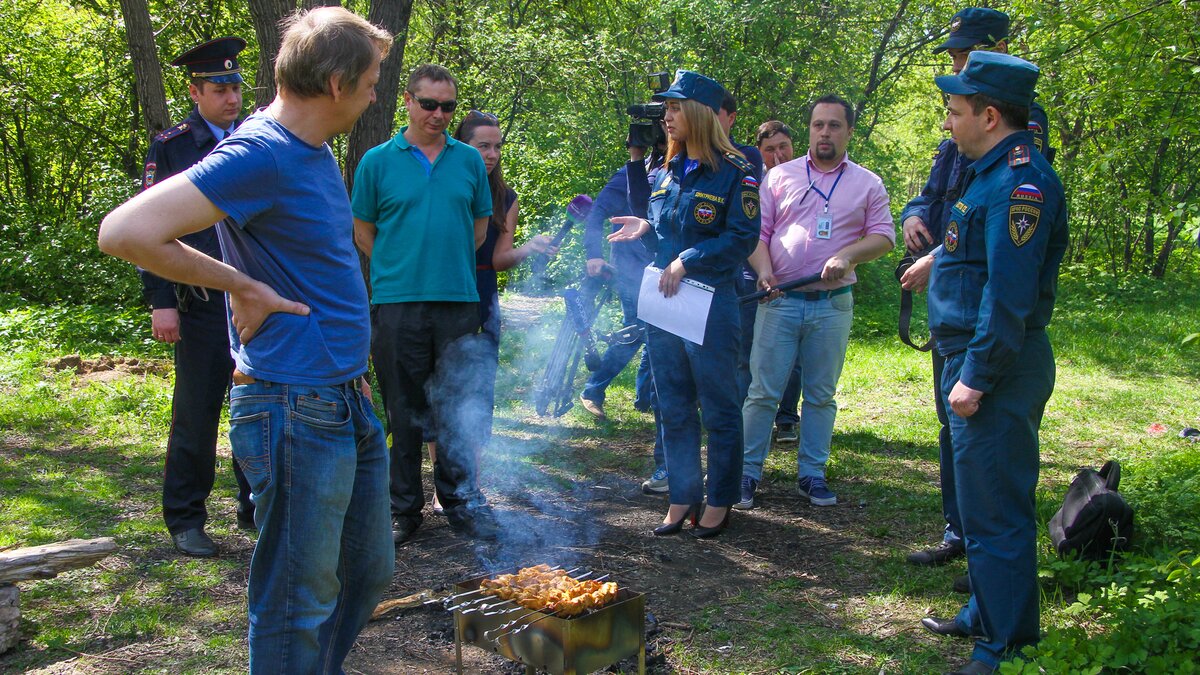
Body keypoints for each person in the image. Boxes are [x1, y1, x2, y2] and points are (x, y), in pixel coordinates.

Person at [99, 7, 396, 672]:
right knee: (297, 598)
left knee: (369, 570)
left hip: (344, 394)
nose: (380, 93)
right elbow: (124, 232)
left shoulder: (310, 148)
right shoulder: (258, 153)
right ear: (339, 83)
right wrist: (239, 282)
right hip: (293, 406)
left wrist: (354, 365)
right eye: (374, 80)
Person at [917, 51, 1067, 675]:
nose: (947, 122)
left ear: (990, 114)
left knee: (997, 510)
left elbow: (1008, 300)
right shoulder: (986, 172)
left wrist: (975, 378)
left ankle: (1005, 647)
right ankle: (985, 610)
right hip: (967, 359)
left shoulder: (1020, 184)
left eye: (955, 112)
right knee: (978, 506)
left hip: (995, 369)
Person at [899, 7, 1053, 569]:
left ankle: (992, 589)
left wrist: (939, 258)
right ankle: (963, 535)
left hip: (979, 317)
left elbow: (1002, 243)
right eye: (956, 54)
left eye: (967, 53)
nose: (959, 62)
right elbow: (937, 190)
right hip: (958, 316)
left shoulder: (1015, 130)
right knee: (959, 439)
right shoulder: (966, 130)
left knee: (988, 462)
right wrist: (916, 216)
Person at [608, 70, 759, 539]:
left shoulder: (735, 174)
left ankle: (719, 501)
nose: (667, 118)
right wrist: (645, 227)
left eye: (675, 109)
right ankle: (682, 494)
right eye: (666, 109)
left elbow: (742, 237)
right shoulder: (665, 171)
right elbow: (670, 227)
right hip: (665, 306)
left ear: (696, 113)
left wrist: (688, 261)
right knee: (671, 404)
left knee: (718, 406)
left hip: (710, 306)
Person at [352, 64, 498, 545]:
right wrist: (400, 266)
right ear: (409, 103)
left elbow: (479, 229)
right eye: (429, 104)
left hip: (458, 300)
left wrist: (444, 264)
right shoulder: (377, 161)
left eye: (448, 106)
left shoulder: (468, 161)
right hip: (397, 303)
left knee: (458, 406)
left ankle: (460, 502)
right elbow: (363, 230)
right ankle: (404, 509)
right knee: (403, 408)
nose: (438, 114)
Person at [738, 95, 895, 510]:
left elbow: (884, 236)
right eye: (818, 125)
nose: (825, 132)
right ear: (809, 129)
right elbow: (758, 233)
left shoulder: (868, 182)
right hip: (780, 300)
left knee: (821, 395)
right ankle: (746, 473)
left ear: (848, 131)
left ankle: (812, 474)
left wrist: (848, 256)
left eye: (834, 126)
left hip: (832, 304)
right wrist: (764, 271)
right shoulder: (778, 177)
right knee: (761, 393)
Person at [138, 37, 254, 557]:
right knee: (197, 411)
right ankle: (186, 517)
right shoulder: (174, 145)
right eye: (219, 88)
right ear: (196, 91)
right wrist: (161, 298)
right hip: (202, 301)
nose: (231, 97)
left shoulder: (257, 137)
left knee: (253, 404)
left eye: (235, 86)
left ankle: (255, 504)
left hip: (253, 297)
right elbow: (148, 226)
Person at [422, 110, 556, 515]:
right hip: (432, 293)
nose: (492, 154)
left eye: (497, 146)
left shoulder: (505, 197)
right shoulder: (437, 182)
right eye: (483, 145)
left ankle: (469, 482)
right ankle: (441, 483)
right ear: (462, 143)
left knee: (474, 392)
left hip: (480, 298)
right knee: (435, 390)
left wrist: (529, 248)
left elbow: (497, 259)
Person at [750, 119, 804, 451]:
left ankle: (787, 418)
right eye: (770, 149)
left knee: (794, 356)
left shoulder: (806, 178)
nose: (778, 154)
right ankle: (755, 415)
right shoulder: (752, 181)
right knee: (753, 354)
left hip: (795, 282)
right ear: (760, 152)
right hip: (754, 279)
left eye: (783, 146)